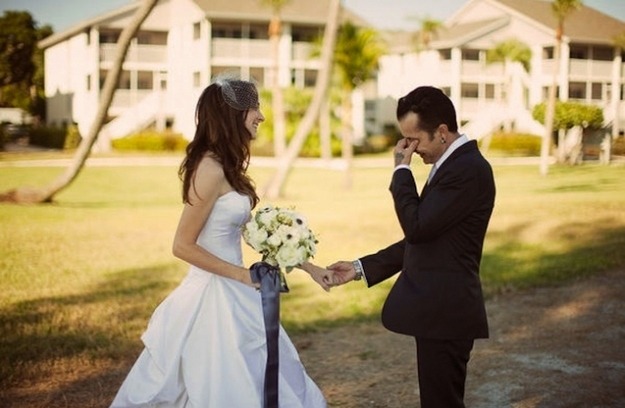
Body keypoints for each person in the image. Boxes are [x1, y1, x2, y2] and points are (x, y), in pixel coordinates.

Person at [110, 76, 328, 407]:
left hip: (239, 288)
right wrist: (243, 276)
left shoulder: (228, 166)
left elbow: (257, 234)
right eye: (254, 108)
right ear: (232, 114)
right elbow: (182, 245)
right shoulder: (208, 168)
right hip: (214, 293)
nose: (261, 116)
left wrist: (310, 267)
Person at [329, 86, 496, 408]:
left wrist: (401, 171)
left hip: (447, 310)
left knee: (441, 402)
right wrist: (359, 268)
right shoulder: (452, 165)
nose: (408, 148)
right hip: (438, 310)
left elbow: (417, 228)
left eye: (414, 139)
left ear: (442, 132)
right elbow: (425, 239)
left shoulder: (467, 170)